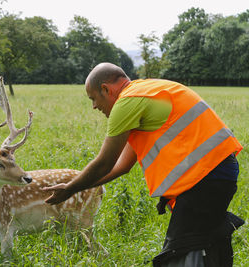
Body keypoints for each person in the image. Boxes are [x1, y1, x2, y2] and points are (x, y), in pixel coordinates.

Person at [43, 62, 244, 266]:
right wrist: (79, 186)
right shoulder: (145, 92)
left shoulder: (128, 102)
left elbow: (105, 162)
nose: (94, 106)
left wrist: (70, 188)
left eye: (93, 98)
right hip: (217, 173)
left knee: (182, 251)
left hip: (205, 178)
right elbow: (121, 166)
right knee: (208, 245)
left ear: (106, 89)